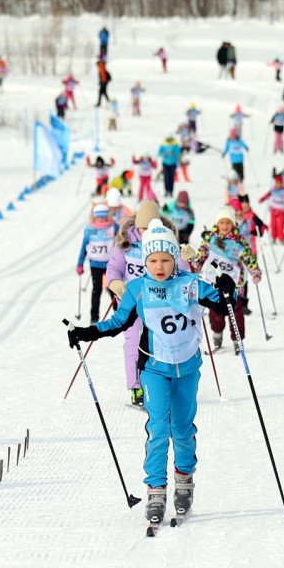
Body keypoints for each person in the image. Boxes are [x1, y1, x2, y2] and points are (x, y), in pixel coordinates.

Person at [67, 219, 232, 527]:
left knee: (182, 429)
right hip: (154, 368)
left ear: (174, 259)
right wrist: (86, 332)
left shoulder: (191, 283)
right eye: (153, 260)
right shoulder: (138, 288)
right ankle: (156, 489)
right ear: (145, 261)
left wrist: (227, 290)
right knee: (158, 428)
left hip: (188, 368)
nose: (159, 266)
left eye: (166, 260)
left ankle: (184, 479)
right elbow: (118, 323)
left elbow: (223, 306)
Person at [105, 201, 187, 406]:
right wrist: (114, 281)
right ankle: (136, 386)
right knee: (133, 342)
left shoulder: (166, 242)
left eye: (149, 228)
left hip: (160, 303)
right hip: (132, 302)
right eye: (142, 228)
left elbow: (183, 272)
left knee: (160, 343)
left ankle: (161, 384)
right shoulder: (125, 243)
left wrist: (187, 258)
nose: (145, 232)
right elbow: (114, 267)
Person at [190, 208, 262, 354]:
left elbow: (249, 259)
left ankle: (237, 340)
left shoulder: (240, 241)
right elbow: (201, 256)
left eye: (228, 222)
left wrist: (255, 272)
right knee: (216, 313)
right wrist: (195, 266)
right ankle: (217, 335)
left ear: (233, 223)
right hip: (214, 284)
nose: (224, 225)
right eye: (222, 222)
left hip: (235, 285)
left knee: (236, 314)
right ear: (218, 223)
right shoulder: (210, 239)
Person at [258, 174, 284, 243]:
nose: (278, 185)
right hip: (273, 210)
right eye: (277, 183)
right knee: (273, 225)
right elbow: (267, 195)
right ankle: (273, 237)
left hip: (281, 211)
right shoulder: (273, 190)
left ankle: (281, 239)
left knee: (280, 225)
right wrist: (262, 199)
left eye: (280, 183)